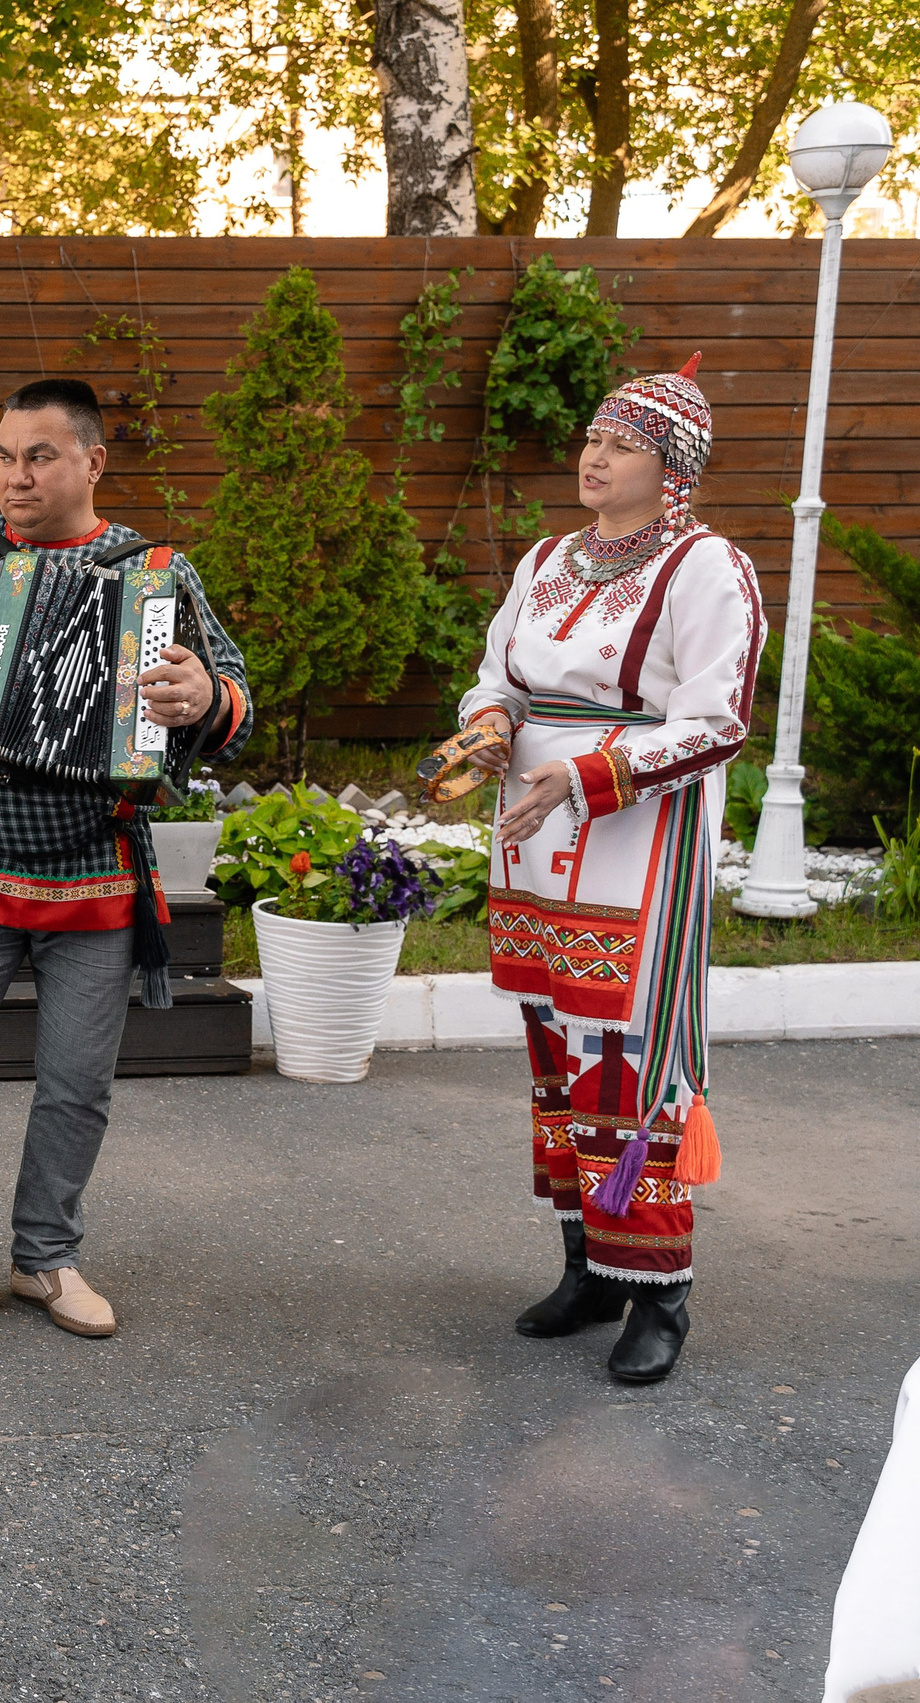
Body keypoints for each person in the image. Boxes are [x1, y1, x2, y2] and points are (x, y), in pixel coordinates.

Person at [0, 377, 252, 1339]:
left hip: (95, 862)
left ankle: (45, 1257)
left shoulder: (154, 572)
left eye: (39, 456)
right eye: (4, 457)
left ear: (92, 461)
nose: (16, 477)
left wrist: (203, 696)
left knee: (77, 1081)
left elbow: (233, 700)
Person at [455, 354, 762, 1384]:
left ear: (673, 469)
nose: (594, 456)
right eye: (592, 436)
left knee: (627, 1061)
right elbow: (497, 674)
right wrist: (491, 727)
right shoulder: (547, 557)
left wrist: (586, 776)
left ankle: (658, 1288)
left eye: (622, 444)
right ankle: (588, 1264)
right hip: (535, 845)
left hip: (633, 844)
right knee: (557, 1052)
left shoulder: (706, 567)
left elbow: (716, 722)